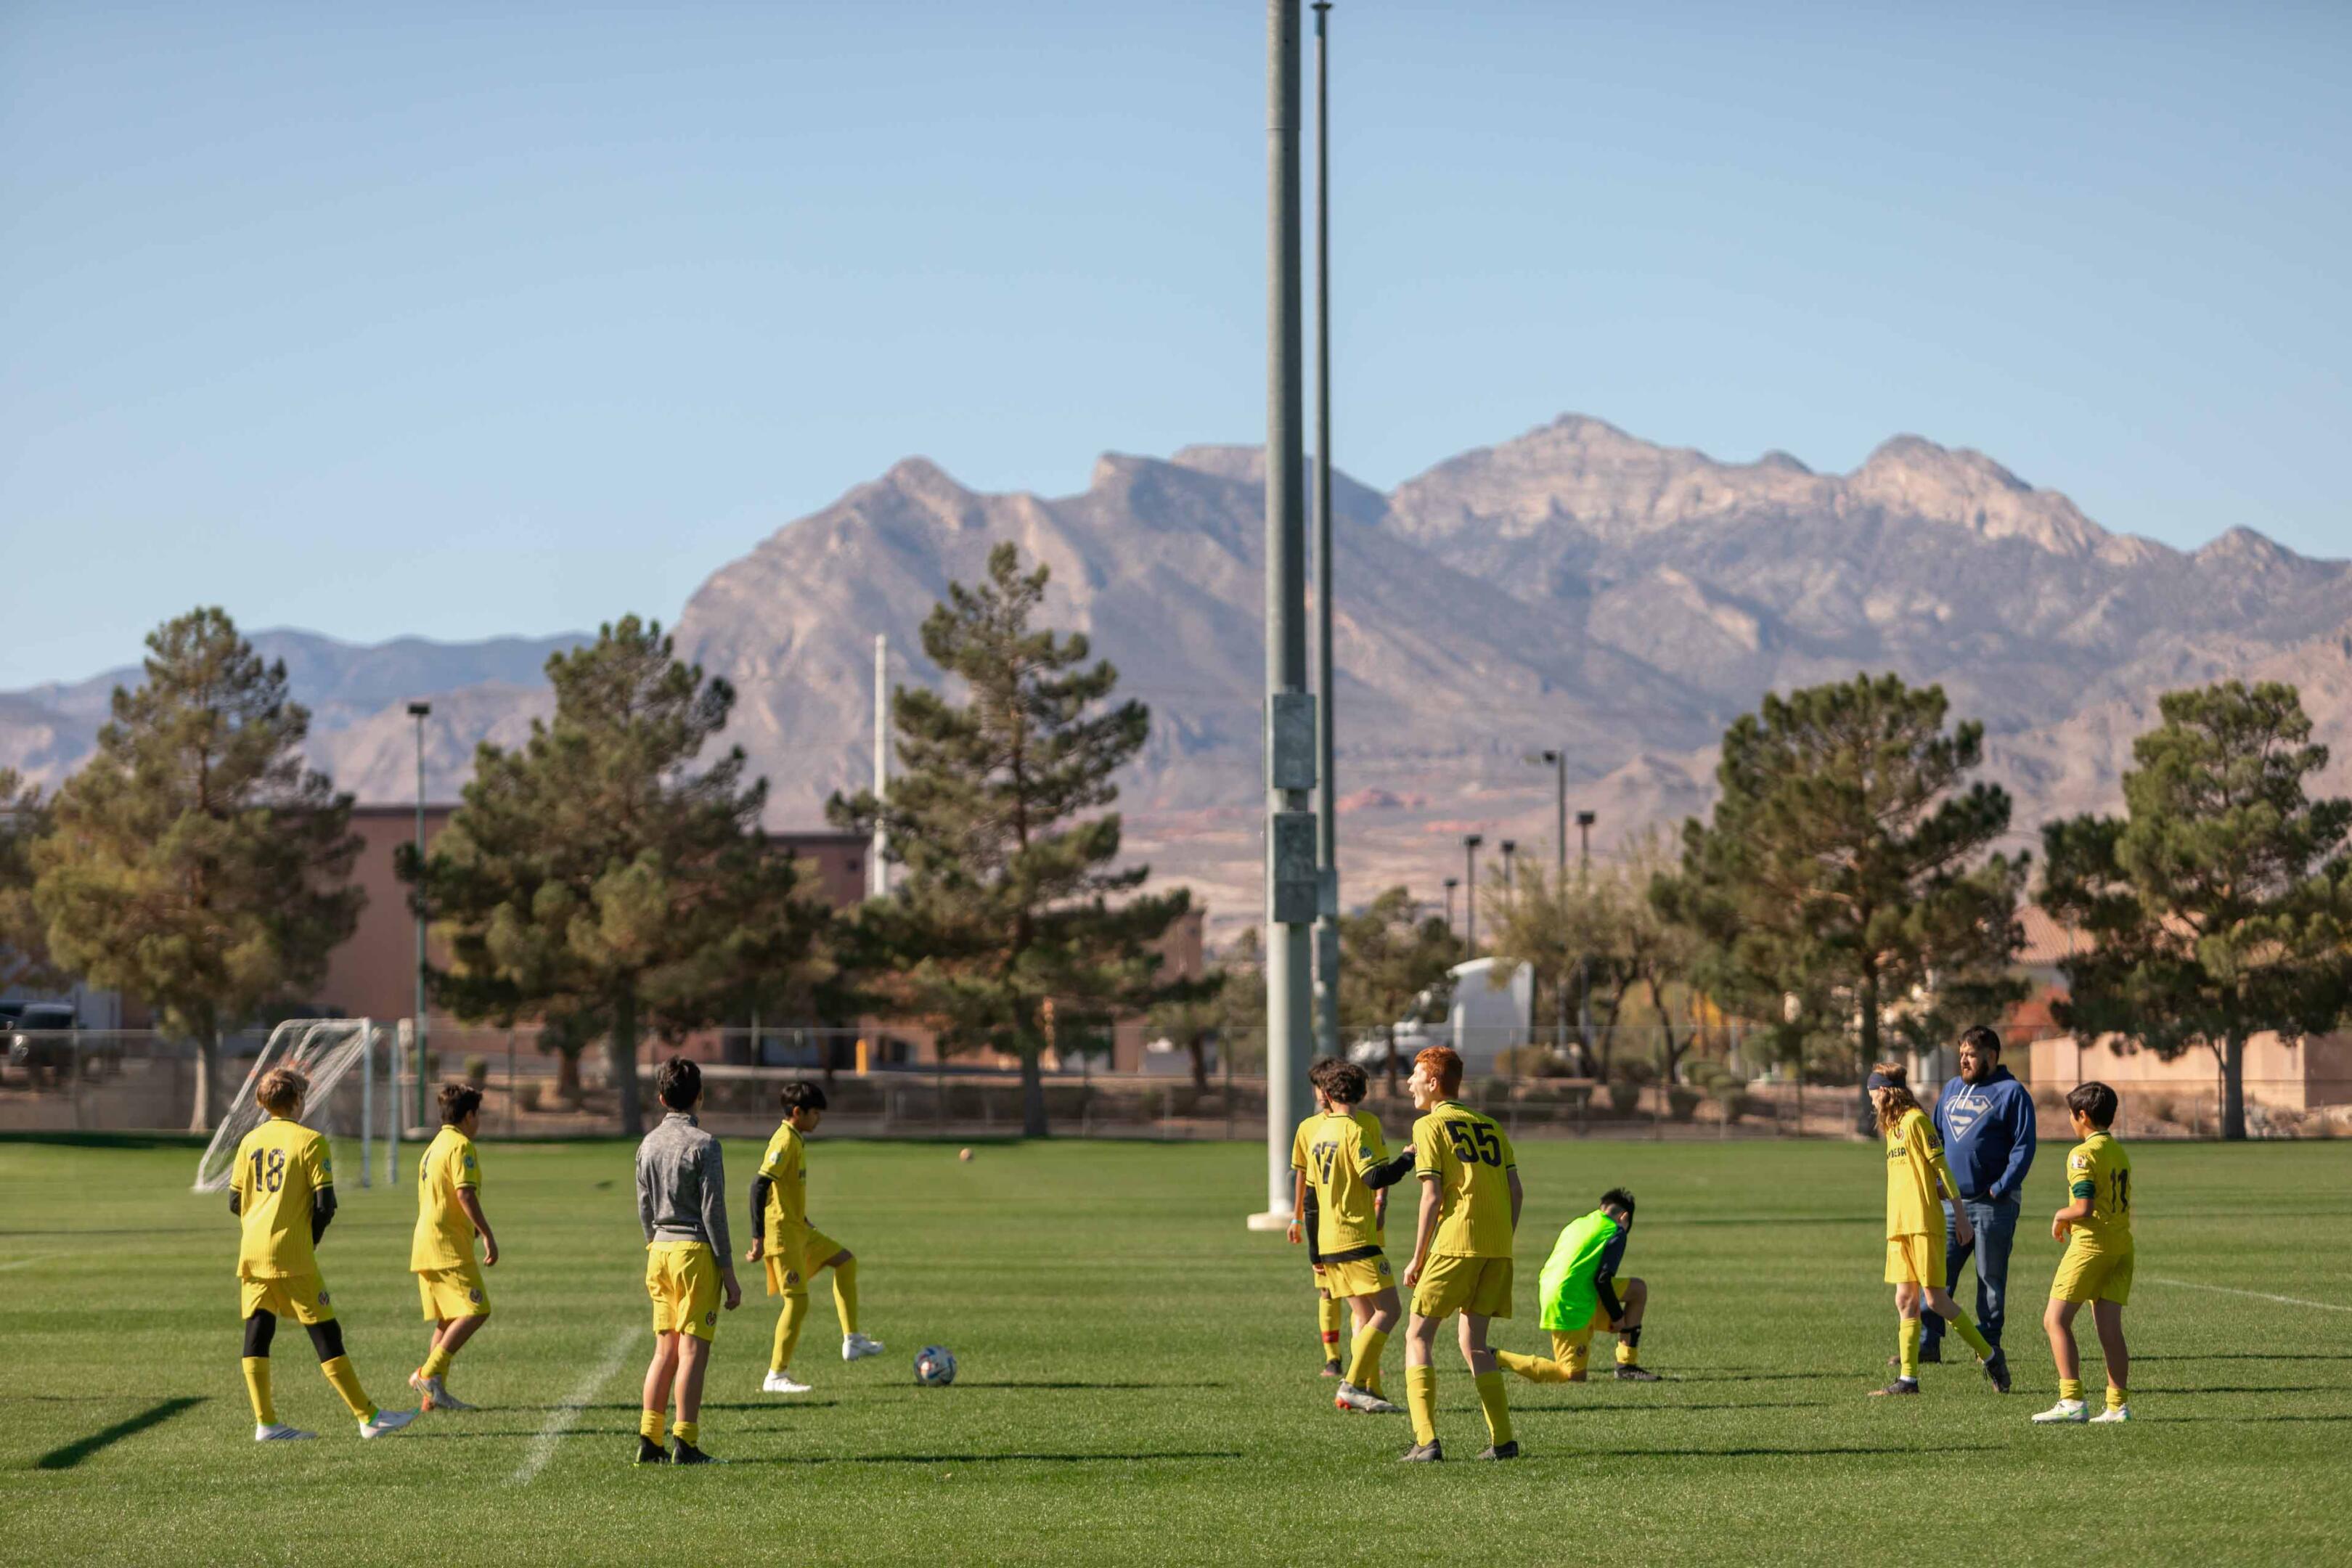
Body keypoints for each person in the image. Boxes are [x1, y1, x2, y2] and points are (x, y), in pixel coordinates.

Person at [229, 1066, 416, 1442]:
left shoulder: (249, 1142)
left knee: (258, 1330)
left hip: (251, 1251)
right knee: (325, 1329)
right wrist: (308, 1239)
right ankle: (368, 1417)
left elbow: (235, 1201)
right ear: (297, 1099)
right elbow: (325, 1204)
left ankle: (266, 1422)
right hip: (290, 1252)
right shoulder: (311, 1141)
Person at [1397, 1045, 1523, 1462]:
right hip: (1497, 1248)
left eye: (1416, 1075)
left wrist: (1417, 1258)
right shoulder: (1490, 1126)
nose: (1409, 1083)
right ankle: (1503, 1441)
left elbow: (1432, 1197)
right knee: (1475, 1343)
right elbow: (1516, 1191)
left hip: (1455, 1244)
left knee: (1418, 1336)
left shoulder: (1429, 1126)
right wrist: (1502, 1238)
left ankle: (1426, 1441)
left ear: (1433, 1083)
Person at [1868, 1063, 2009, 1397]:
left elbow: (1941, 1169)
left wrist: (1960, 1216)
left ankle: (1991, 1357)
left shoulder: (1916, 1121)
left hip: (1923, 1222)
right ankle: (1908, 1380)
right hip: (1899, 1225)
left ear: (1884, 1091)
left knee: (1936, 1299)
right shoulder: (1892, 1127)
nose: (1870, 1100)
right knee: (1904, 1299)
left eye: (1872, 1093)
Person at [1289, 1058, 1415, 1415]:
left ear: (1327, 1096)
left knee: (1366, 1315)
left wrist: (1314, 1252)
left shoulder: (1319, 1135)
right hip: (1356, 1238)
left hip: (1329, 1242)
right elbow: (1374, 1178)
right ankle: (1353, 1384)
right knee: (1390, 1310)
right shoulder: (1355, 1131)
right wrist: (1407, 1159)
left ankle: (1370, 1389)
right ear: (1363, 1094)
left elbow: (1310, 1200)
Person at [634, 1057, 740, 1465]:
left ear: (661, 1098)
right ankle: (686, 1442)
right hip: (694, 1253)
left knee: (665, 1350)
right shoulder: (705, 1145)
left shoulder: (647, 1144)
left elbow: (645, 1206)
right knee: (693, 1351)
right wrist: (728, 1271)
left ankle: (650, 1438)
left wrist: (655, 1243)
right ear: (700, 1096)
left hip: (659, 1251)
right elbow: (714, 1212)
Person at [748, 1081, 881, 1393]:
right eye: (815, 1113)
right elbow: (758, 1186)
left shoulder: (796, 1139)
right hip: (783, 1233)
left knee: (845, 1261)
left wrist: (803, 1217)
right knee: (797, 1302)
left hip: (799, 1229)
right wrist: (758, 1238)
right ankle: (776, 1375)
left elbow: (785, 1189)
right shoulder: (784, 1141)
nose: (819, 1118)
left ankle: (852, 1339)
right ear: (798, 1112)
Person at [1918, 1024, 2035, 1367]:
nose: (1964, 1061)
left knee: (1990, 1279)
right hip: (1952, 1204)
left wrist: (2001, 1187)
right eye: (1961, 1054)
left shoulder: (2012, 1093)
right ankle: (1927, 1344)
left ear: (1991, 1056)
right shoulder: (1952, 1089)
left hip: (1993, 1205)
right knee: (1936, 1276)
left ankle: (1988, 1347)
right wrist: (1937, 1182)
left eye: (1971, 1055)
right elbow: (1936, 1138)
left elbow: (2024, 1147)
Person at [2034, 1082, 2134, 1424]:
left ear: (2082, 1115)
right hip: (2122, 1246)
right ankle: (2117, 1406)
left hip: (2091, 1246)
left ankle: (2072, 1400)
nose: (2070, 1121)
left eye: (2071, 1115)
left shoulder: (2082, 1154)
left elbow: (2084, 1207)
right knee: (2110, 1330)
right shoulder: (2118, 1151)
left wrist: (2060, 1215)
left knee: (2055, 1320)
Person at [1497, 1188, 1659, 1385]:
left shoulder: (1579, 1223)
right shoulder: (1615, 1230)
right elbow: (1602, 1279)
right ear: (1624, 1217)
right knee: (1572, 1377)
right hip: (1570, 1301)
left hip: (1564, 1290)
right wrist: (1617, 1316)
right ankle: (1496, 1357)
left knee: (1637, 1290)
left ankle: (1626, 1366)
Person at [409, 1082, 499, 1412]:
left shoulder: (434, 1146)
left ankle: (432, 1398)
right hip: (446, 1246)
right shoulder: (461, 1146)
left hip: (426, 1243)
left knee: (447, 1320)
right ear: (469, 1115)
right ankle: (427, 1374)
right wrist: (486, 1233)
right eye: (479, 1115)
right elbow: (464, 1193)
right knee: (477, 1310)